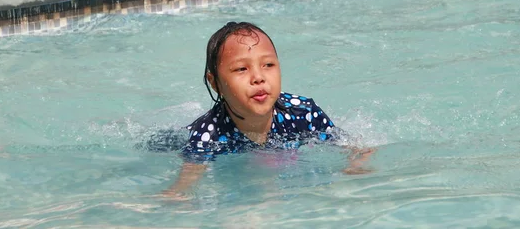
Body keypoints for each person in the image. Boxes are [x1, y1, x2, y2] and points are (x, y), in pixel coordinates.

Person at [150, 21, 374, 199]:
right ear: (215, 83)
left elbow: (355, 148)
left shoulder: (302, 113)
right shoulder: (207, 136)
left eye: (268, 65)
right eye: (241, 68)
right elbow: (186, 181)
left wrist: (354, 168)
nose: (258, 77)